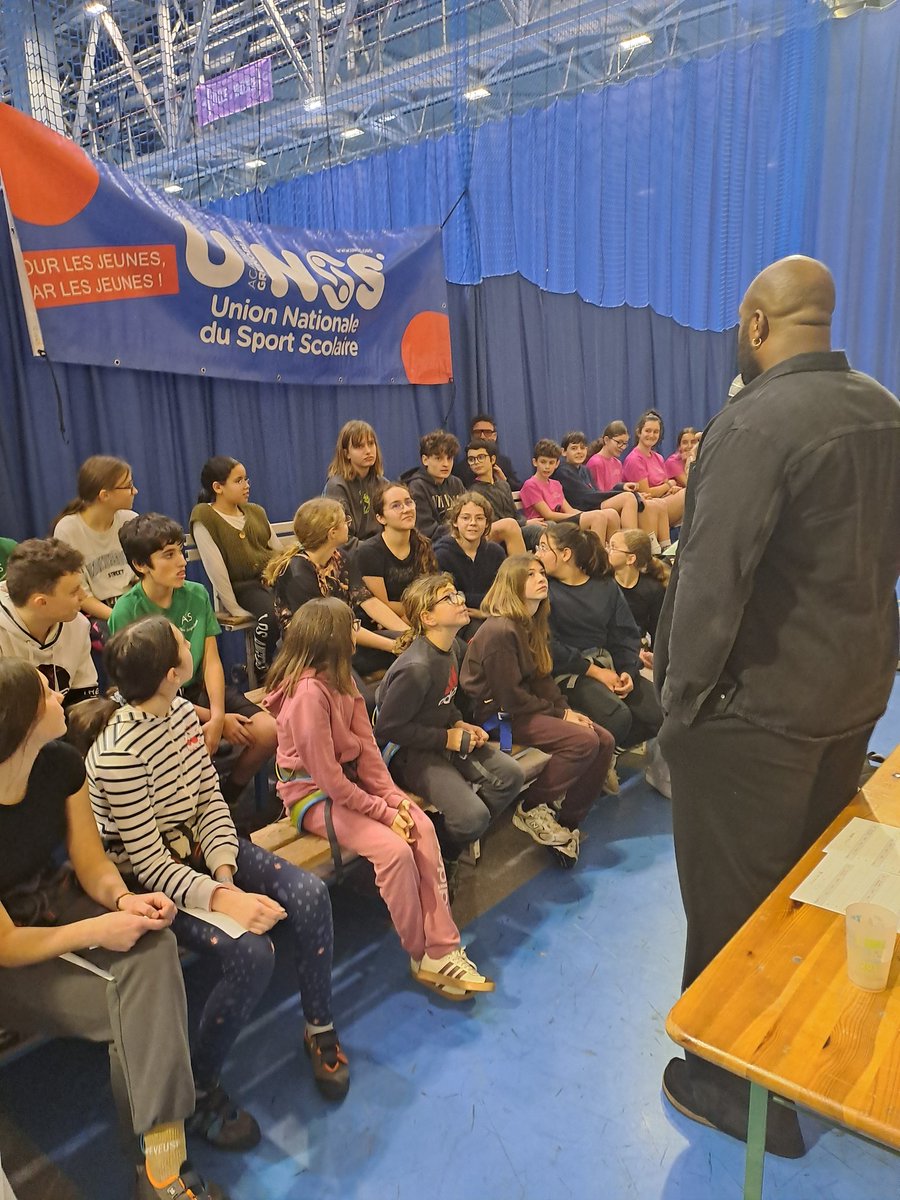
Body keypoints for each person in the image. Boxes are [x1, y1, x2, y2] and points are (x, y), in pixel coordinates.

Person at [655, 255, 900, 1159]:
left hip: (752, 720)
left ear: (757, 324)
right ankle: (797, 1046)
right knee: (805, 895)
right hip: (852, 699)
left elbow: (709, 587)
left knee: (729, 905)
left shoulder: (755, 422)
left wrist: (677, 718)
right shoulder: (883, 409)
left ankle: (726, 1079)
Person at [80, 617, 347, 1153]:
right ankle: (199, 1086)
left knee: (311, 894)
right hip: (147, 881)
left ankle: (318, 1025)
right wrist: (225, 899)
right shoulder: (116, 756)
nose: (190, 643)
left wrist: (225, 874)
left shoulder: (180, 714)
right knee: (252, 953)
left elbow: (208, 802)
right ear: (167, 673)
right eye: (182, 643)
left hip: (201, 853)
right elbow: (149, 864)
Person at [0, 659, 225, 1200]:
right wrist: (99, 929)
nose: (60, 696)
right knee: (140, 1004)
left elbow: (90, 861)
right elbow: (5, 945)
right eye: (46, 694)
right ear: (19, 721)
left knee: (154, 943)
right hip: (10, 954)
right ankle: (163, 1169)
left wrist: (124, 899)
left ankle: (159, 1158)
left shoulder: (58, 763)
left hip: (50, 903)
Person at [264, 597, 494, 999]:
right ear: (330, 638)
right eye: (350, 628)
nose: (357, 634)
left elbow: (368, 753)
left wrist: (394, 800)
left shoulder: (342, 679)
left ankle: (442, 947)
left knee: (421, 825)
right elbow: (329, 781)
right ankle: (420, 952)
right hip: (311, 796)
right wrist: (384, 815)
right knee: (394, 851)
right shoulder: (306, 696)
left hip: (352, 786)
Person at [109, 515, 276, 817]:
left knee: (267, 731)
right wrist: (217, 721)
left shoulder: (196, 593)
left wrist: (218, 714)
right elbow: (143, 692)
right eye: (168, 555)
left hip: (198, 690)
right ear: (140, 565)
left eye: (181, 551)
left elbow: (212, 660)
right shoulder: (126, 611)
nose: (181, 562)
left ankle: (230, 795)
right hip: (158, 702)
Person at [460, 556, 615, 867]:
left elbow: (542, 679)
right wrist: (559, 716)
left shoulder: (531, 623)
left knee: (605, 740)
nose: (540, 578)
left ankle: (566, 822)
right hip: (498, 721)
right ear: (512, 584)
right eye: (529, 575)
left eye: (541, 572)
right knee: (583, 742)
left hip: (521, 710)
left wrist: (566, 710)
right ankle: (531, 808)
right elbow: (511, 699)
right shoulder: (500, 630)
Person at [375, 574, 524, 891]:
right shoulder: (416, 667)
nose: (459, 600)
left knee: (510, 774)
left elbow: (447, 700)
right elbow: (387, 728)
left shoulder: (452, 647)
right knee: (472, 817)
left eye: (457, 593)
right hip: (406, 753)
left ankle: (446, 844)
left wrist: (458, 723)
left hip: (440, 736)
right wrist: (446, 738)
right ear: (427, 618)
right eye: (448, 598)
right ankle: (444, 847)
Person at [534, 524, 662, 753]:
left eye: (544, 548)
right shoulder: (545, 590)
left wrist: (627, 671)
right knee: (618, 717)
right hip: (569, 672)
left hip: (608, 664)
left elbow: (624, 634)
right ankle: (602, 754)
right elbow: (547, 646)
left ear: (565, 554)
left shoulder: (605, 586)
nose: (537, 554)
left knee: (662, 711)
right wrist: (594, 671)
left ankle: (613, 749)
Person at [264, 498, 409, 688]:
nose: (349, 525)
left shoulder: (339, 557)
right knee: (362, 699)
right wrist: (392, 646)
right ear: (332, 533)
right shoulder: (298, 572)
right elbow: (332, 630)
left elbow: (368, 601)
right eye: (345, 521)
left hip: (346, 643)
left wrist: (408, 634)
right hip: (313, 654)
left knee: (413, 653)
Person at [189, 456, 281, 673]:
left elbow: (278, 551)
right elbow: (216, 568)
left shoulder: (256, 511)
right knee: (271, 616)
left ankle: (296, 667)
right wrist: (234, 607)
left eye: (246, 479)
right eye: (239, 480)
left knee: (307, 606)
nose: (246, 485)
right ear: (217, 487)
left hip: (271, 579)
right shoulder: (204, 515)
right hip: (244, 587)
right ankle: (262, 668)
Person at [0, 538, 98, 705]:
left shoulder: (77, 624)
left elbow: (84, 701)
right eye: (74, 592)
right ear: (41, 602)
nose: (84, 596)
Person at [51, 456, 139, 623]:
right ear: (104, 495)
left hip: (132, 606)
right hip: (96, 616)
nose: (135, 491)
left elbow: (143, 575)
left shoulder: (130, 520)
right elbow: (80, 594)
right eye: (128, 486)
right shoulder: (68, 530)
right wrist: (119, 618)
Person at [356, 482, 438, 617]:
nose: (406, 509)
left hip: (422, 617)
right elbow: (384, 605)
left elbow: (431, 594)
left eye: (409, 502)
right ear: (381, 518)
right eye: (396, 506)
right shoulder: (369, 551)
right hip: (387, 624)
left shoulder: (423, 545)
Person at [587, 421, 671, 550]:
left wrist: (637, 494)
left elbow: (618, 488)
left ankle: (664, 548)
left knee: (656, 503)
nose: (622, 447)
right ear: (606, 440)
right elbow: (599, 493)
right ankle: (633, 547)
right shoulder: (596, 462)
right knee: (632, 499)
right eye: (619, 442)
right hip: (600, 503)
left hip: (616, 500)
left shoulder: (617, 463)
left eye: (625, 443)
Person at [519, 439, 619, 543]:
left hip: (562, 521)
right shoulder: (530, 485)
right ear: (535, 462)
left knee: (611, 513)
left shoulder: (556, 484)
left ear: (557, 464)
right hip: (549, 524)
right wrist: (583, 516)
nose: (547, 467)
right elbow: (548, 515)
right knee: (597, 517)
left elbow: (569, 509)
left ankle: (613, 553)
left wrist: (583, 514)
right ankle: (597, 556)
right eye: (543, 462)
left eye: (551, 462)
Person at [434, 492, 506, 629]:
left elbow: (503, 592)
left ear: (487, 523)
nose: (473, 523)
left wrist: (485, 612)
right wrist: (485, 604)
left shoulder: (496, 552)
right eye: (466, 518)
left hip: (492, 614)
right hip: (457, 621)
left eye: (479, 518)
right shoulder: (442, 554)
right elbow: (448, 598)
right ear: (455, 522)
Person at [606, 529, 669, 670]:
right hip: (609, 652)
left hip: (639, 655)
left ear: (630, 559)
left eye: (613, 547)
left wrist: (655, 659)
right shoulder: (604, 584)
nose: (608, 551)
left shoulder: (653, 589)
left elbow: (658, 631)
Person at [464, 439, 542, 551]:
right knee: (537, 531)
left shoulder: (503, 484)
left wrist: (524, 522)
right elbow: (492, 522)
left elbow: (515, 514)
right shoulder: (474, 492)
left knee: (550, 525)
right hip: (500, 536)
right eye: (471, 459)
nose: (476, 462)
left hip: (517, 527)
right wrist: (526, 523)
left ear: (492, 459)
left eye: (480, 457)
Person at [555, 431, 640, 531]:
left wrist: (620, 487)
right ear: (564, 452)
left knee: (615, 511)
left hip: (591, 505)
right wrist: (620, 493)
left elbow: (596, 492)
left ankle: (618, 544)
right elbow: (585, 497)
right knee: (628, 497)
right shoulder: (563, 471)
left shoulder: (584, 469)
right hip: (581, 510)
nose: (579, 451)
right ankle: (631, 541)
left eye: (582, 448)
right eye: (574, 448)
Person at [323, 420, 389, 544]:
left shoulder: (384, 484)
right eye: (359, 446)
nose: (368, 451)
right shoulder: (337, 486)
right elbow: (341, 539)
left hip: (381, 551)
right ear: (346, 453)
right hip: (351, 554)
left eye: (371, 444)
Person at [621, 412, 685, 527]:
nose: (652, 435)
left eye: (656, 432)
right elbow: (646, 492)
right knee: (688, 494)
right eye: (648, 431)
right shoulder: (634, 459)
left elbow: (665, 483)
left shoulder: (658, 457)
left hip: (663, 500)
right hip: (647, 508)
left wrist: (672, 488)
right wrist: (669, 485)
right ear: (639, 432)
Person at [402, 430, 468, 541]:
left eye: (449, 458)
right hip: (434, 545)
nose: (446, 464)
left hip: (460, 536)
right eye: (438, 458)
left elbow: (471, 511)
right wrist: (461, 530)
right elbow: (426, 530)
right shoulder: (417, 487)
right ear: (425, 460)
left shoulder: (456, 483)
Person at [454, 413, 522, 490]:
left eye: (487, 432)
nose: (482, 436)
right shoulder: (461, 469)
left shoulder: (504, 462)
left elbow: (518, 491)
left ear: (494, 436)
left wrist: (505, 480)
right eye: (477, 432)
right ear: (471, 436)